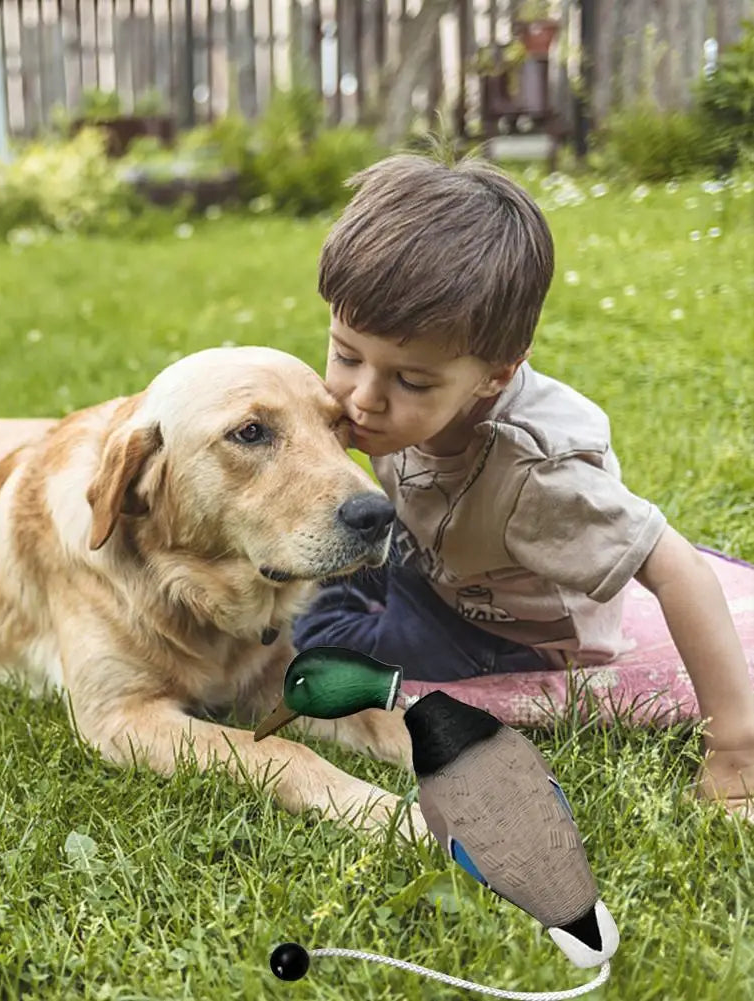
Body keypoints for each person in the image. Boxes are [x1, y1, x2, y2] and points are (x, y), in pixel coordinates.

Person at [293, 153, 754, 815]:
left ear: (494, 375)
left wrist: (735, 748)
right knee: (309, 547)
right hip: (434, 559)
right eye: (344, 353)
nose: (361, 398)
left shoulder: (541, 479)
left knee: (313, 641)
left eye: (411, 381)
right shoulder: (396, 398)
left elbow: (678, 568)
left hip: (502, 631)